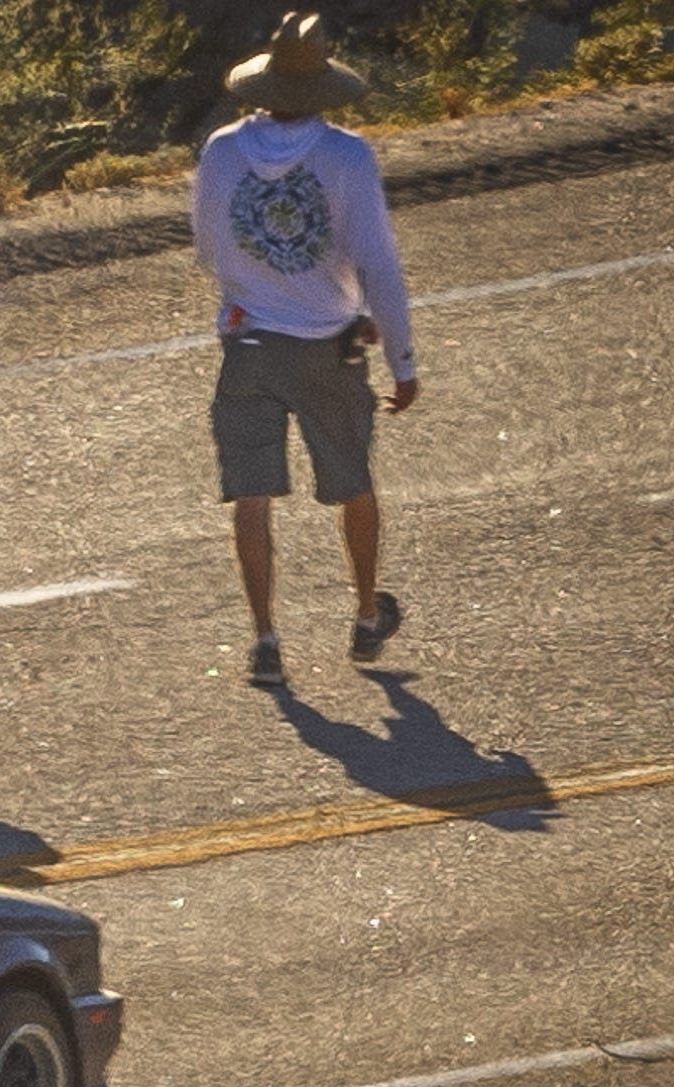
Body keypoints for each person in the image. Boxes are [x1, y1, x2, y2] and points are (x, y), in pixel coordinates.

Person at [192, 11, 419, 688]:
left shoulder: (223, 151)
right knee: (353, 479)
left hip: (251, 339)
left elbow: (208, 248)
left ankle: (265, 636)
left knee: (253, 494)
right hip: (329, 340)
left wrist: (253, 284)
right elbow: (379, 263)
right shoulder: (347, 156)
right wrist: (401, 357)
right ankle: (365, 612)